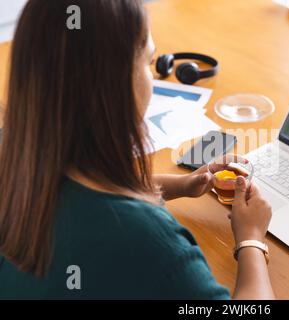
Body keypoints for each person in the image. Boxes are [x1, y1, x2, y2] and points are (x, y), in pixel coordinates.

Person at [0, 0, 274, 299]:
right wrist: (251, 239)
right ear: (114, 86)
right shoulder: (149, 242)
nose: (152, 77)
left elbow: (86, 198)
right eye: (147, 61)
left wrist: (183, 184)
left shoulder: (13, 150)